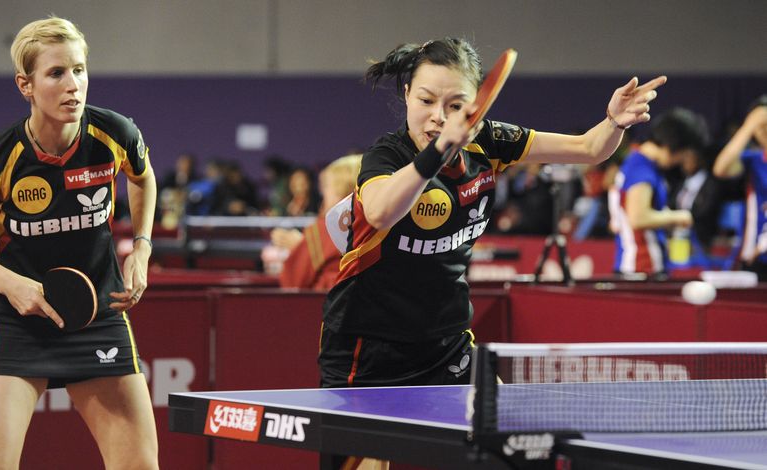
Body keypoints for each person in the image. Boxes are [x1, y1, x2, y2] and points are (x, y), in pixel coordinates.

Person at [319, 37, 666, 390]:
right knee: (373, 448)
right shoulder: (386, 156)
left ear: (477, 109)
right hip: (367, 347)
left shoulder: (489, 141)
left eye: (457, 106)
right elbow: (379, 212)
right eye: (426, 100)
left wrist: (614, 123)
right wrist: (439, 150)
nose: (439, 117)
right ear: (407, 94)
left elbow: (588, 148)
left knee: (498, 433)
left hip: (447, 343)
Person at [0, 17, 158, 469]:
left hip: (96, 310)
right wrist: (10, 284)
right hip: (17, 317)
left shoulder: (115, 133)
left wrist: (142, 244)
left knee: (139, 465)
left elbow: (143, 178)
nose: (73, 85)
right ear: (26, 85)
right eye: (56, 73)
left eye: (79, 70)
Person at [607, 108, 709, 276]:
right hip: (642, 268)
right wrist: (679, 216)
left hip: (636, 266)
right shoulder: (642, 169)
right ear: (673, 146)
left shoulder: (637, 163)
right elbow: (638, 218)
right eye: (683, 155)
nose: (681, 162)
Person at [270, 154, 361, 289]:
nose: (322, 194)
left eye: (325, 187)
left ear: (343, 190)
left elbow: (292, 283)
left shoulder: (326, 229)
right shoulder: (384, 224)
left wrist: (301, 246)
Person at [712, 95, 767, 280]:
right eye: (760, 127)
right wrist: (748, 126)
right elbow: (721, 168)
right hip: (755, 257)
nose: (764, 130)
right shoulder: (753, 160)